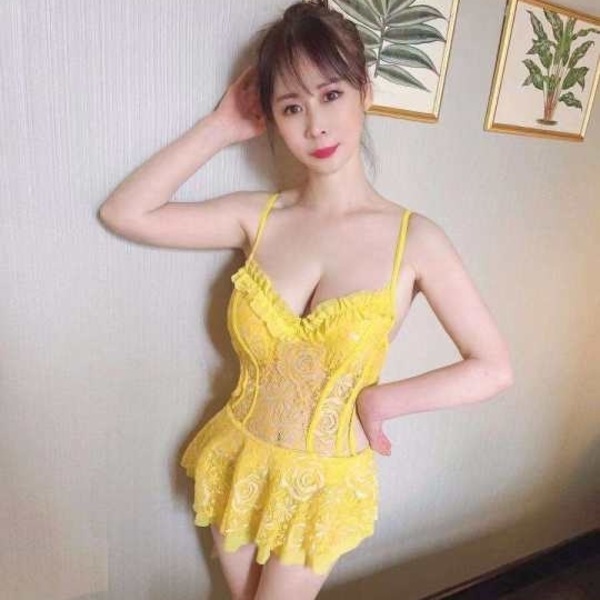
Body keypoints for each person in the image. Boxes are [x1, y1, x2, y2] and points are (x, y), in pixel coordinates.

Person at [98, 2, 513, 598]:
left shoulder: (416, 240)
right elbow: (126, 212)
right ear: (270, 116)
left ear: (365, 91)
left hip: (323, 482)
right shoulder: (258, 217)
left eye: (331, 94)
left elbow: (493, 368)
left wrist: (380, 401)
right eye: (291, 107)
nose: (315, 125)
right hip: (239, 457)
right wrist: (220, 127)